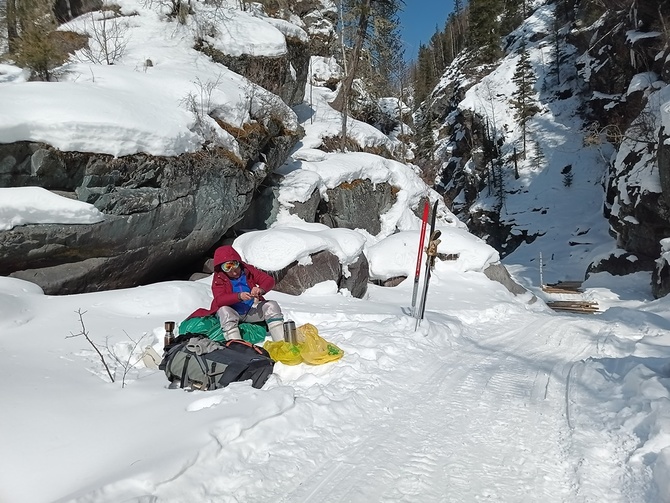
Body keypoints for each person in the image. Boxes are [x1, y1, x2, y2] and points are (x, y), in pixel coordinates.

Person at [187, 245, 285, 342]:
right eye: (228, 268)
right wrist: (239, 297)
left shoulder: (248, 270)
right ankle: (237, 344)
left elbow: (268, 280)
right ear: (221, 269)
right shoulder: (219, 279)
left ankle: (281, 342)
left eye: (235, 266)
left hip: (251, 309)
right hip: (233, 312)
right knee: (224, 310)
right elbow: (219, 299)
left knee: (271, 306)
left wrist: (261, 290)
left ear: (239, 262)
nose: (234, 272)